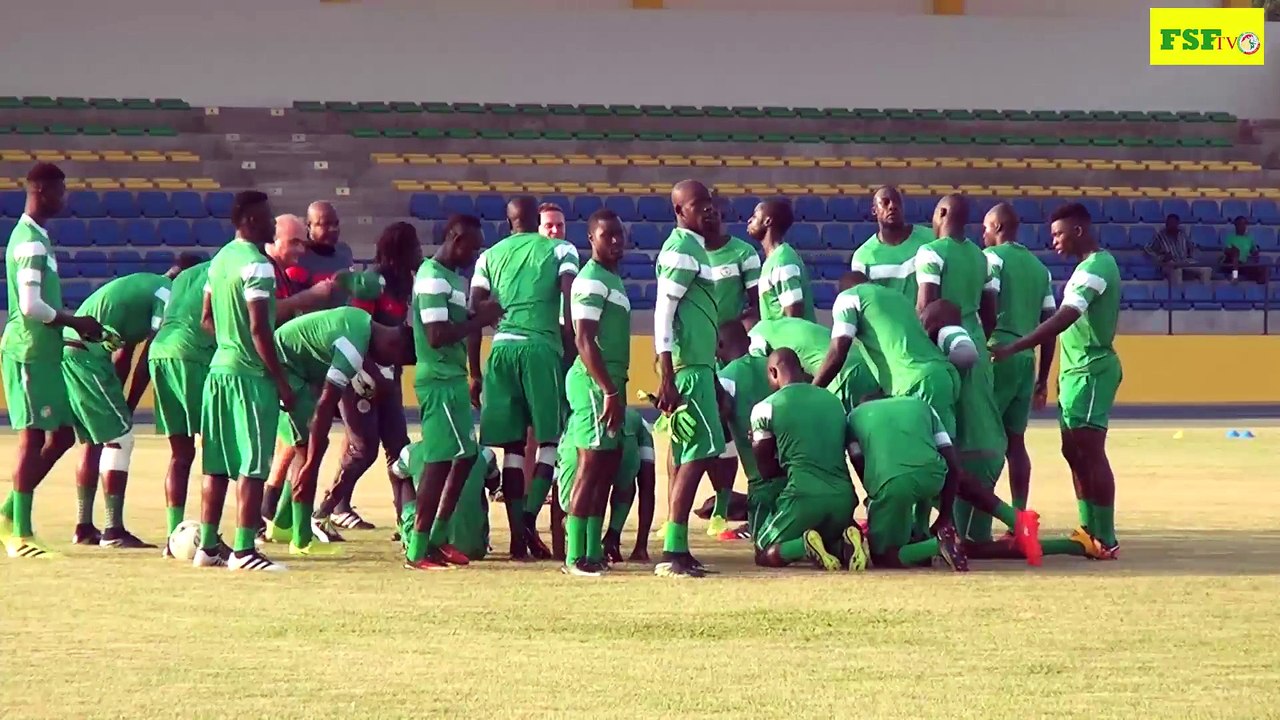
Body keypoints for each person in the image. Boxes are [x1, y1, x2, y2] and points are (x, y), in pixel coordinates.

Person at [813, 278, 1042, 563]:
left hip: (916, 382)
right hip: (940, 377)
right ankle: (920, 531)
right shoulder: (897, 300)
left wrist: (811, 392)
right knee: (931, 459)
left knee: (933, 465)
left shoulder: (849, 298)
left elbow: (838, 351)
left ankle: (1013, 519)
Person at [993, 202, 1123, 560]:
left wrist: (1017, 345)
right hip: (1075, 371)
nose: (1054, 241)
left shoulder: (1097, 267)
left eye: (1058, 234)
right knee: (1073, 450)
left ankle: (1106, 535)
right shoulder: (1086, 267)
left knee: (1090, 450)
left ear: (1078, 231)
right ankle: (1088, 528)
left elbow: (1065, 317)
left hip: (1091, 370)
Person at [0, 163, 105, 558]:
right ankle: (20, 533)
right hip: (28, 351)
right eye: (61, 190)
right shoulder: (29, 241)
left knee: (60, 435)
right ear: (41, 190)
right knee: (32, 437)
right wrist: (75, 321)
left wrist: (72, 329)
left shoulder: (39, 237)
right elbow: (30, 306)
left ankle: (7, 514)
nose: (65, 197)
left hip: (46, 351)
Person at [469, 196, 578, 559]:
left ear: (508, 221)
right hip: (540, 348)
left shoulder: (489, 256)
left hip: (501, 351)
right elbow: (569, 302)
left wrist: (474, 372)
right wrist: (572, 352)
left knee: (513, 450)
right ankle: (529, 520)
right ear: (536, 220)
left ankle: (518, 538)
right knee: (549, 441)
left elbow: (475, 311)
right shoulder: (560, 250)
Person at [192, 190, 294, 572]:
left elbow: (205, 319)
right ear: (251, 220)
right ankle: (244, 550)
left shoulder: (219, 261)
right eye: (268, 217)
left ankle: (207, 547)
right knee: (252, 464)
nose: (273, 223)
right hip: (249, 377)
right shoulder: (258, 264)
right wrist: (281, 381)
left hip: (218, 372)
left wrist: (228, 342)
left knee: (216, 464)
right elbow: (259, 329)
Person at [62, 264, 193, 549]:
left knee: (94, 440)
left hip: (73, 351)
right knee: (120, 439)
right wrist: (129, 407)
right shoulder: (166, 293)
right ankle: (113, 530)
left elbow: (124, 355)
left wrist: (121, 405)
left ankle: (84, 527)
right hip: (87, 357)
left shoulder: (142, 287)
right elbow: (149, 357)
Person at [261, 307, 405, 556]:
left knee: (305, 447)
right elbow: (326, 405)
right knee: (308, 451)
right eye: (392, 360)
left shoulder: (362, 322)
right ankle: (302, 540)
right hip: (284, 369)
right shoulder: (352, 349)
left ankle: (283, 525)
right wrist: (312, 464)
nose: (387, 365)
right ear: (392, 344)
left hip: (293, 367)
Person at [312, 222, 420, 535]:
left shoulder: (404, 282)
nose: (419, 252)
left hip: (389, 375)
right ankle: (323, 511)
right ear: (401, 250)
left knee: (399, 449)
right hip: (360, 374)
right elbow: (357, 326)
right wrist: (367, 373)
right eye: (414, 246)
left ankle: (407, 521)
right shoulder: (372, 282)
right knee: (364, 449)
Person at [409, 214, 504, 570]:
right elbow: (436, 335)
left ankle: (437, 538)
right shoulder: (432, 277)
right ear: (455, 238)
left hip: (452, 378)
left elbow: (454, 323)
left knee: (466, 456)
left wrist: (478, 314)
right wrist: (480, 319)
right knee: (438, 461)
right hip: (438, 380)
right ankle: (417, 549)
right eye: (472, 247)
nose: (474, 255)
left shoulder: (451, 279)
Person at [916, 194, 1007, 545]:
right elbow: (989, 312)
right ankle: (977, 530)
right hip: (976, 345)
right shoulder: (983, 258)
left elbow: (927, 307)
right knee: (979, 427)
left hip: (944, 345)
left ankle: (937, 528)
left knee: (944, 435)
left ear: (941, 213)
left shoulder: (931, 252)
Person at [652, 180, 728, 578]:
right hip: (688, 368)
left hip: (699, 366)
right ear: (680, 211)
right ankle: (672, 550)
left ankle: (678, 546)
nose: (708, 209)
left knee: (690, 454)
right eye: (698, 205)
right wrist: (667, 373)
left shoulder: (694, 248)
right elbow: (663, 312)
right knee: (699, 453)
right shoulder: (682, 249)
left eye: (710, 203)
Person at [559, 209, 630, 576]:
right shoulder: (590, 280)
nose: (615, 241)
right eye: (607, 235)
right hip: (593, 384)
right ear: (591, 239)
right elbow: (583, 339)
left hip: (609, 383)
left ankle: (592, 550)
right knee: (589, 469)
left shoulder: (610, 278)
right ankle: (575, 556)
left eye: (619, 234)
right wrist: (608, 391)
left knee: (604, 469)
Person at [749, 349, 864, 572]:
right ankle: (847, 541)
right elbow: (852, 450)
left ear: (773, 372)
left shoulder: (765, 407)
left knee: (763, 551)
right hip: (843, 498)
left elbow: (766, 470)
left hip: (802, 496)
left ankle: (803, 546)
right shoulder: (834, 402)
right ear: (801, 370)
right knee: (828, 538)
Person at [982, 202, 1055, 513]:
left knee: (984, 437)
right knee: (1016, 442)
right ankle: (1020, 514)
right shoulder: (1040, 269)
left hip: (998, 353)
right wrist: (1043, 380)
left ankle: (979, 514)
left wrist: (981, 346)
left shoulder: (992, 258)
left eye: (985, 228)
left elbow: (988, 306)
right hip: (1027, 359)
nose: (983, 234)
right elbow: (1050, 326)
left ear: (998, 227)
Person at [697, 196, 760, 537]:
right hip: (697, 354)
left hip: (733, 353)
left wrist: (737, 337)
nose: (709, 218)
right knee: (696, 434)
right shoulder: (688, 254)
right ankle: (710, 507)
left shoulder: (743, 253)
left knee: (736, 430)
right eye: (703, 212)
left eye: (714, 213)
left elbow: (756, 307)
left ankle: (728, 507)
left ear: (723, 215)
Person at [846, 396, 966, 570]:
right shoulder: (922, 406)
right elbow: (952, 464)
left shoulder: (853, 417)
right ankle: (921, 538)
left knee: (881, 555)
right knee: (919, 486)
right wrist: (944, 518)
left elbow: (859, 463)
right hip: (933, 475)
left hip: (893, 483)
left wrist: (876, 497)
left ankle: (935, 546)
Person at [523, 201, 578, 559]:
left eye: (559, 225)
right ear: (537, 229)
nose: (555, 230)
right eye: (549, 225)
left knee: (561, 426)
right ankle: (532, 492)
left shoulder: (567, 259)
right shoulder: (534, 262)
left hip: (563, 346)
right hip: (543, 346)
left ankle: (558, 493)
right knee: (535, 428)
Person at [151, 258, 214, 555]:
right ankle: (210, 540)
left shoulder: (183, 278)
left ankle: (172, 537)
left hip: (160, 353)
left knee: (181, 453)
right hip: (193, 355)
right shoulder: (231, 267)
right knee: (215, 451)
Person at [556, 408, 656, 574]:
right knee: (623, 484)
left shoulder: (572, 419)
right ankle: (610, 539)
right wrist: (641, 546)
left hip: (580, 442)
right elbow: (647, 483)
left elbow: (558, 478)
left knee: (576, 497)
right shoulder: (638, 420)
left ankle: (575, 551)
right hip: (622, 446)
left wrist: (557, 549)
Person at [714, 322, 774, 541]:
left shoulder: (725, 378)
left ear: (718, 346)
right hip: (792, 465)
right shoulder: (772, 365)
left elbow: (720, 421)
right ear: (749, 342)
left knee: (763, 534)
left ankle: (758, 527)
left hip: (759, 474)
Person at [748, 316, 879, 414]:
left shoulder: (755, 337)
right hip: (868, 364)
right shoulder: (780, 325)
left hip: (843, 375)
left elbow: (759, 370)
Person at [394, 446, 500, 563]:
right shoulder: (485, 454)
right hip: (472, 547)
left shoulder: (411, 452)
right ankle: (463, 535)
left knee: (403, 478)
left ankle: (412, 536)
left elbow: (395, 472)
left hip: (424, 540)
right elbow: (494, 483)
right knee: (477, 484)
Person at [850, 186, 935, 300]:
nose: (892, 206)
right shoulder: (862, 258)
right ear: (874, 211)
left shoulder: (930, 238)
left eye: (897, 202)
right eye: (885, 202)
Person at [601, 409, 656, 565]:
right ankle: (613, 536)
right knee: (629, 481)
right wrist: (641, 546)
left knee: (595, 487)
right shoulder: (636, 421)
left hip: (605, 434)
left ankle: (598, 541)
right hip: (630, 435)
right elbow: (647, 487)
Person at [749, 199, 815, 322]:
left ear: (767, 221)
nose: (749, 220)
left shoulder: (782, 262)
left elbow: (794, 317)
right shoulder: (773, 260)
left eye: (754, 216)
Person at [1144, 213, 1210, 285]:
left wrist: (1192, 256)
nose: (1170, 225)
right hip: (1169, 265)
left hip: (1184, 262)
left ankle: (1205, 290)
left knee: (1206, 270)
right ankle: (1177, 291)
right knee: (1177, 271)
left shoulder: (1182, 234)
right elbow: (1148, 248)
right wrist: (1162, 257)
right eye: (1169, 223)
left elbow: (1191, 247)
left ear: (1177, 224)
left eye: (1173, 223)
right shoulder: (1160, 236)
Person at [1222, 216, 1268, 284]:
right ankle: (1234, 277)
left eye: (1245, 224)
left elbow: (1253, 251)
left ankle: (1258, 288)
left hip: (1242, 265)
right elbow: (1226, 251)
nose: (1243, 226)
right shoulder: (1230, 237)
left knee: (1264, 269)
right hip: (1230, 263)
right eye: (1241, 224)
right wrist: (1233, 250)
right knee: (1236, 252)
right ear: (1236, 225)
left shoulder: (1249, 239)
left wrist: (1256, 252)